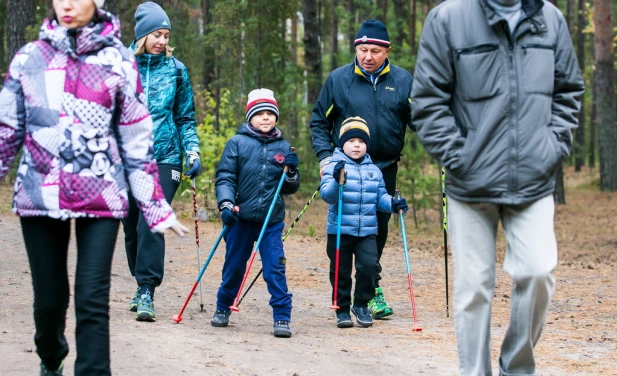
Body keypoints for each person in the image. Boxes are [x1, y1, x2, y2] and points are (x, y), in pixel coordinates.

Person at [0, 0, 189, 374]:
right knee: (50, 301)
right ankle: (50, 358)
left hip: (102, 194)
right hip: (41, 193)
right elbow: (7, 131)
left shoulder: (119, 61)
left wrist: (155, 205)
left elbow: (136, 141)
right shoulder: (28, 59)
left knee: (92, 301)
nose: (67, 4)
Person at [411, 0, 585, 374]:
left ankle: (517, 368)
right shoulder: (448, 18)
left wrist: (551, 148)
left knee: (539, 271)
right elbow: (427, 101)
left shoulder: (549, 18)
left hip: (534, 179)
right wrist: (460, 157)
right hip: (470, 183)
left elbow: (569, 90)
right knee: (473, 289)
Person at [310, 19, 414, 319]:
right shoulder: (340, 80)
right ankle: (344, 298)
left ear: (387, 51)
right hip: (345, 168)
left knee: (376, 231)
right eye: (363, 49)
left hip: (384, 166)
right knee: (344, 232)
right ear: (356, 48)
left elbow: (419, 118)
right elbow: (319, 121)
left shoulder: (403, 80)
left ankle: (370, 290)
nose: (368, 56)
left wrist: (444, 141)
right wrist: (325, 159)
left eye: (375, 51)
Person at [122, 1, 201, 322]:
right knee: (131, 228)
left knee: (151, 220)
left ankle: (146, 288)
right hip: (126, 159)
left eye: (166, 35)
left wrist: (191, 150)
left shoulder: (177, 70)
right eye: (157, 34)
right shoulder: (121, 66)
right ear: (142, 35)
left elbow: (185, 117)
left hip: (166, 158)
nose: (162, 41)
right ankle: (139, 280)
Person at [211, 88, 300, 338]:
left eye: (270, 114)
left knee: (275, 268)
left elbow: (291, 187)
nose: (265, 118)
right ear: (250, 116)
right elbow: (225, 177)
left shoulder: (283, 146)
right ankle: (223, 306)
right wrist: (226, 205)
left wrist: (291, 171)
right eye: (259, 113)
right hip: (240, 218)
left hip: (270, 221)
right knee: (235, 266)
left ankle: (282, 316)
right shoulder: (237, 143)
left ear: (276, 117)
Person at [320, 117, 409, 329]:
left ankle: (360, 304)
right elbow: (328, 196)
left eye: (361, 141)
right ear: (342, 144)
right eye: (351, 141)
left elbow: (380, 199)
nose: (357, 145)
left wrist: (394, 204)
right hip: (340, 230)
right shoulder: (334, 166)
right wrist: (336, 180)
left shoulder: (374, 170)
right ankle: (342, 308)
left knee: (369, 267)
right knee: (340, 271)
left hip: (367, 231)